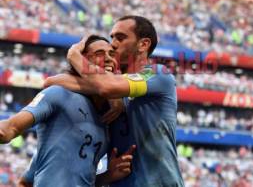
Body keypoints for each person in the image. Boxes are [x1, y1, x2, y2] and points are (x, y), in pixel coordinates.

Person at [45, 15, 184, 187]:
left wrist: (74, 55)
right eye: (112, 37)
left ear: (143, 44)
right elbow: (51, 82)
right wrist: (106, 176)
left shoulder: (157, 74)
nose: (113, 43)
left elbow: (107, 86)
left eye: (120, 37)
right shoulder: (110, 88)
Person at [0, 35, 135, 187]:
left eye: (111, 54)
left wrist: (107, 176)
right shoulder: (58, 95)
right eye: (99, 54)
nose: (109, 58)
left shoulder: (107, 119)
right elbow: (11, 127)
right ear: (82, 62)